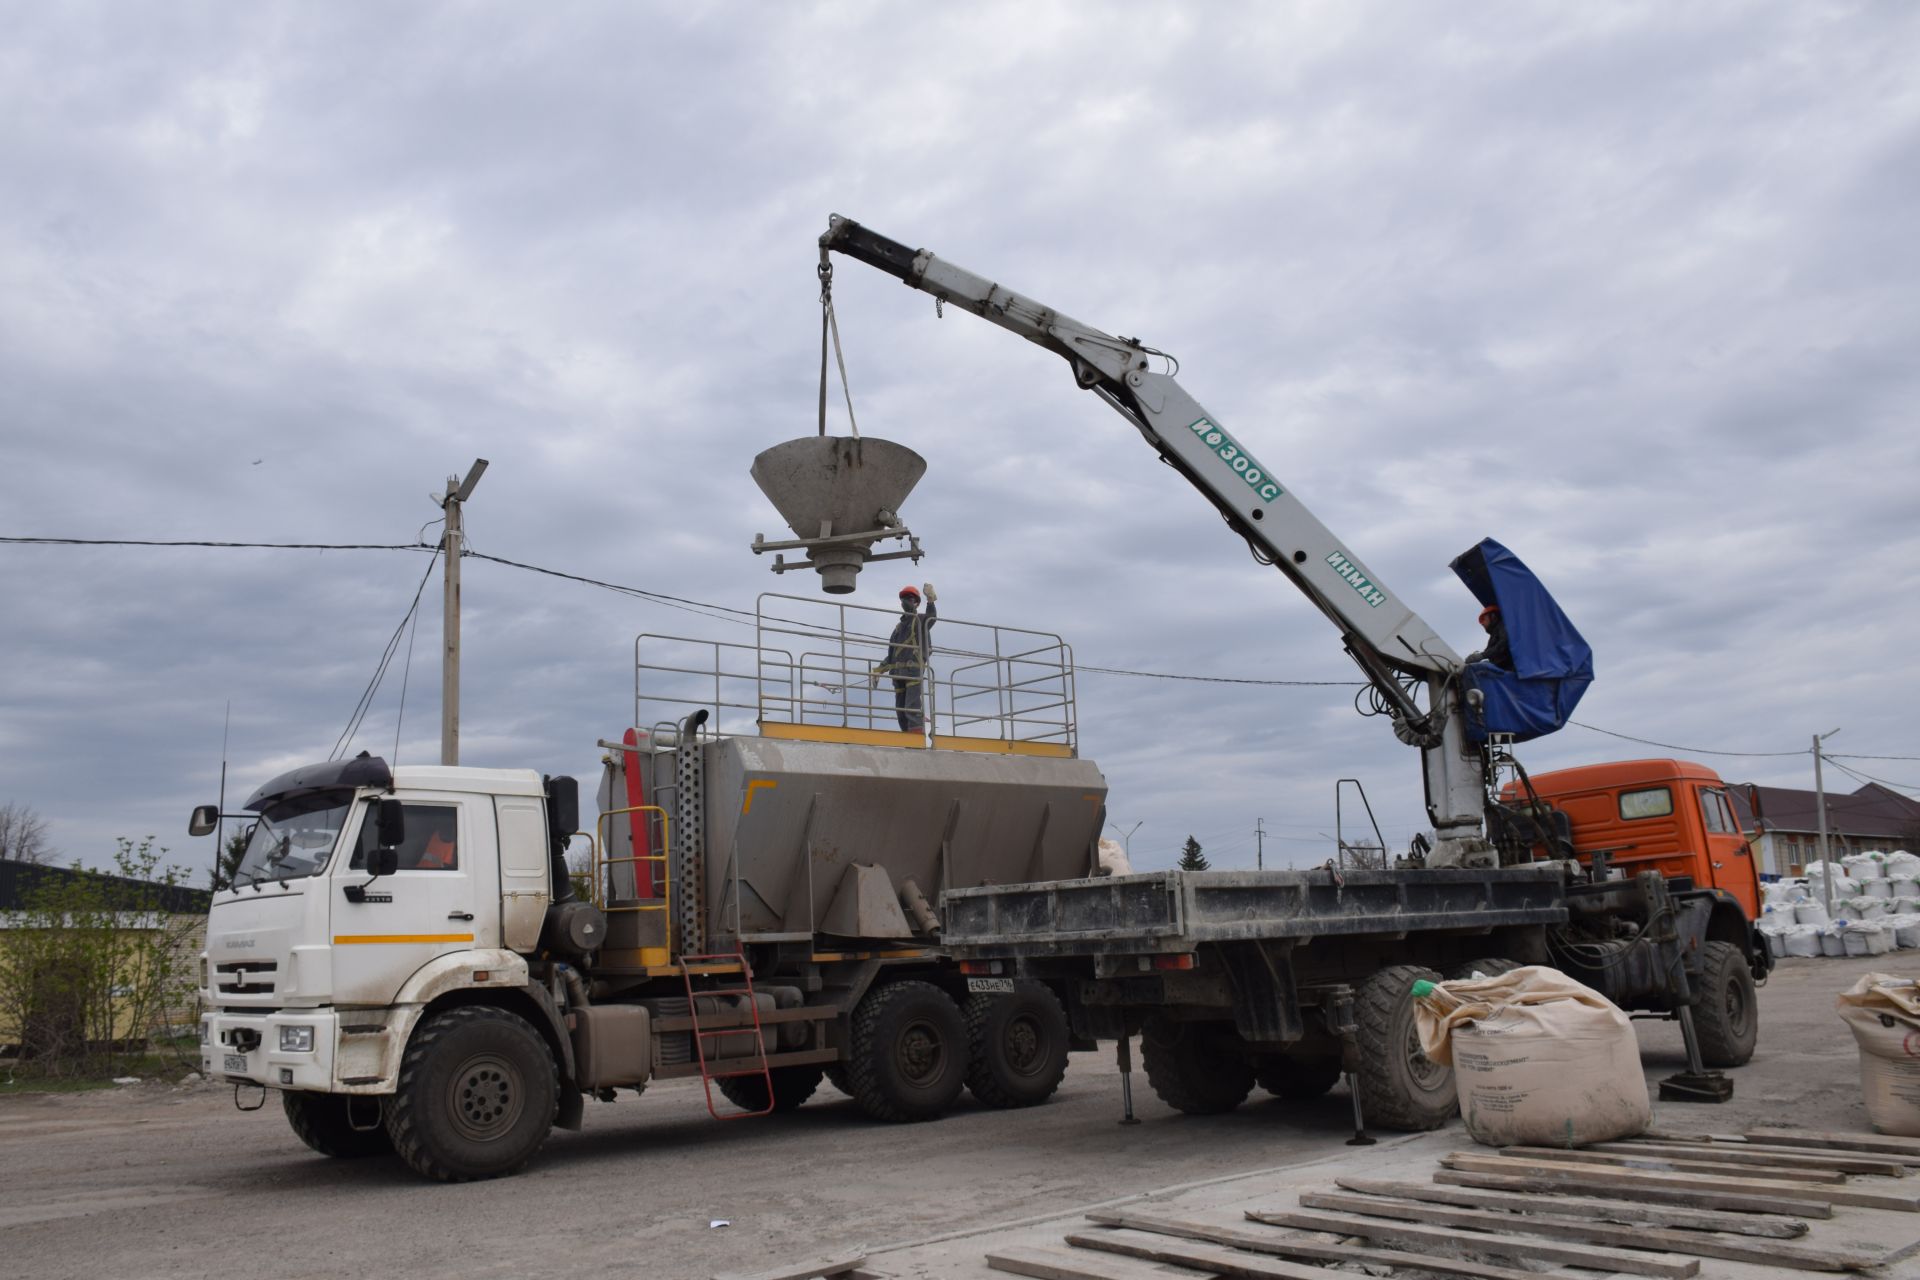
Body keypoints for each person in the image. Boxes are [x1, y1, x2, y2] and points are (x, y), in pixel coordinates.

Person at [873, 583, 937, 732]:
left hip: (912, 672)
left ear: (916, 602)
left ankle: (916, 741)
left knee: (911, 708)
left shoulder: (920, 621)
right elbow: (892, 654)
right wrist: (878, 670)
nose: (906, 602)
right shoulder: (898, 628)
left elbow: (932, 618)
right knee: (901, 711)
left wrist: (931, 600)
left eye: (909, 598)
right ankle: (908, 740)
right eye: (904, 599)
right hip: (898, 675)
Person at [1466, 604, 1514, 670]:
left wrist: (1481, 656)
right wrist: (1475, 657)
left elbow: (1504, 644)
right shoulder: (1494, 634)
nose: (1482, 623)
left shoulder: (1503, 626)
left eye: (1483, 619)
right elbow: (1489, 651)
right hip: (1502, 669)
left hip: (1509, 669)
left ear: (1493, 616)